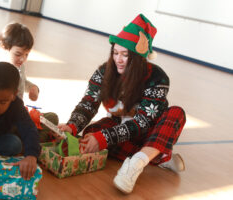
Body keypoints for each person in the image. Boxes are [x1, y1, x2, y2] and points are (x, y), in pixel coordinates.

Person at [58, 14, 186, 194]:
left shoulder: (157, 78)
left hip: (149, 131)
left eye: (125, 55)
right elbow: (88, 102)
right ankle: (158, 156)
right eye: (115, 53)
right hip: (122, 129)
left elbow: (142, 123)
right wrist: (72, 126)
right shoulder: (104, 71)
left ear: (139, 58)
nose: (118, 59)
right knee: (91, 134)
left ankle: (137, 163)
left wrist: (105, 138)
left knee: (176, 113)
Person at [0, 22, 59, 142]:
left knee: (52, 118)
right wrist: (23, 113)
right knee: (12, 138)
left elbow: (23, 82)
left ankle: (31, 138)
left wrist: (33, 88)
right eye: (18, 54)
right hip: (4, 119)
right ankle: (32, 140)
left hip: (18, 115)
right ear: (4, 47)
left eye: (26, 55)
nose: (22, 59)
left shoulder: (20, 66)